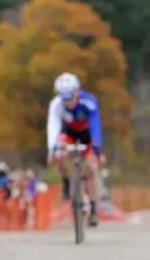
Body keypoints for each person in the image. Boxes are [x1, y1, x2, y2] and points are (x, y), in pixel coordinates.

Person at [45, 72, 105, 228]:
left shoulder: (89, 102)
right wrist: (52, 149)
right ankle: (65, 180)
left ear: (77, 92)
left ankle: (93, 209)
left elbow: (95, 125)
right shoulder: (56, 104)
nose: (69, 103)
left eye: (71, 98)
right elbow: (53, 126)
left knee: (92, 168)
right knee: (59, 154)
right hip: (68, 134)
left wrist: (97, 148)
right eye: (65, 99)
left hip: (87, 135)